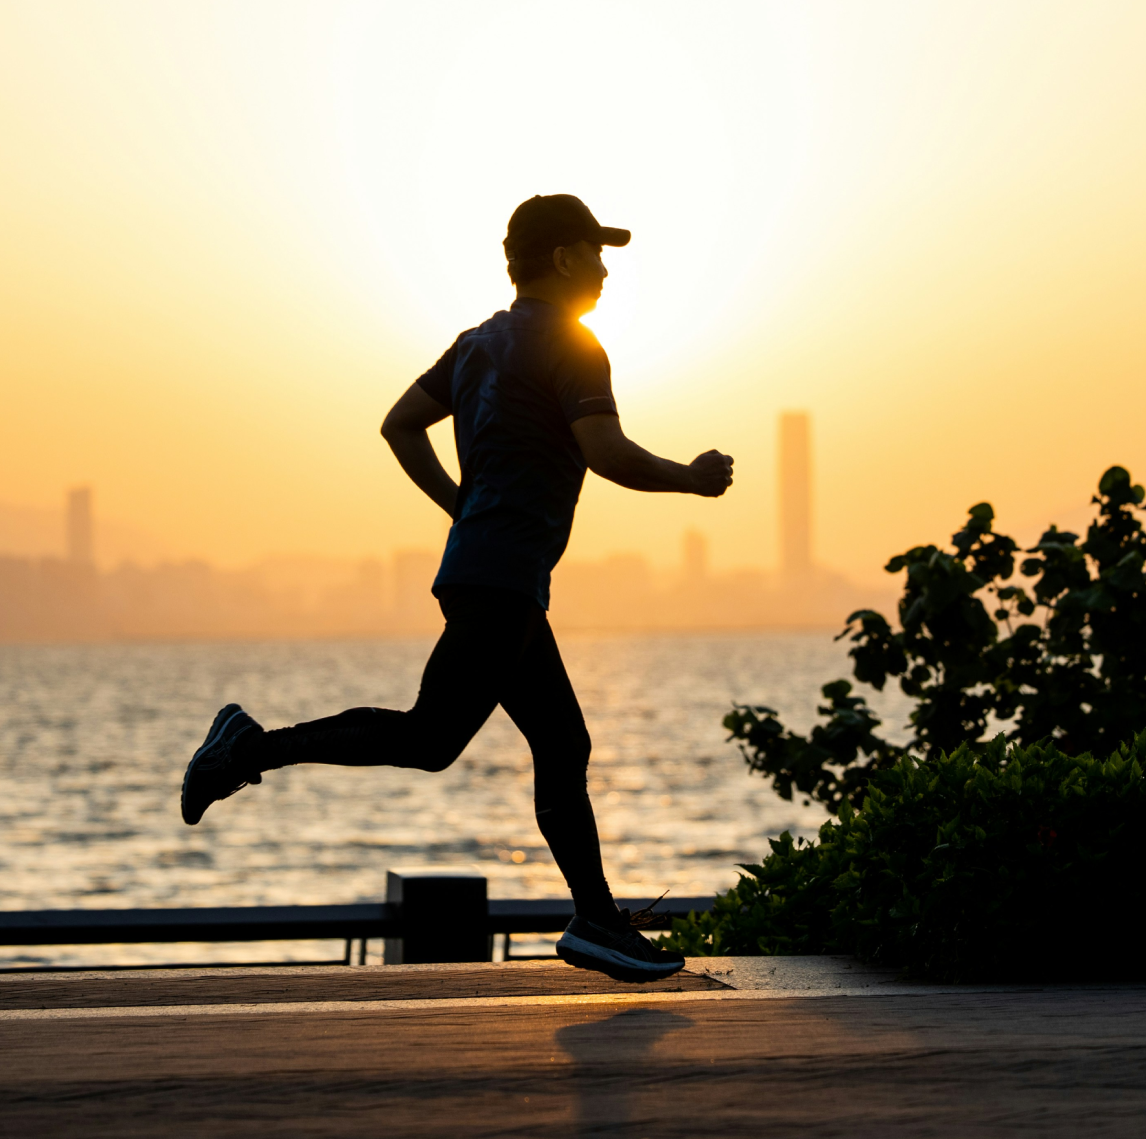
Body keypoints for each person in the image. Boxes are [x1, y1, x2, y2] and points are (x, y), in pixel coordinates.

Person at [180, 194, 734, 982]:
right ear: (566, 257)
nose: (607, 269)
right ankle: (248, 748)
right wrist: (690, 478)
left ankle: (596, 921)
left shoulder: (477, 344)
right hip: (500, 579)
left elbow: (400, 424)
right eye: (596, 251)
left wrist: (461, 507)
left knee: (562, 744)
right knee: (430, 739)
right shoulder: (575, 346)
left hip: (484, 570)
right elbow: (605, 451)